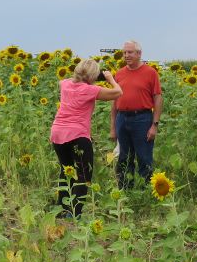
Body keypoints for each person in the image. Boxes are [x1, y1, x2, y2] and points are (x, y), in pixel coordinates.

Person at [51, 59, 123, 218]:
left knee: (66, 171)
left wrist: (85, 77)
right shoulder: (90, 90)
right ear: (92, 76)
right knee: (83, 174)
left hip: (57, 132)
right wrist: (110, 79)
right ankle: (74, 213)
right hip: (77, 135)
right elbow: (118, 93)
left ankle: (61, 209)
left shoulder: (65, 84)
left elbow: (63, 81)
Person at [109, 40, 163, 189]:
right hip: (122, 118)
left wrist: (154, 125)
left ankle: (148, 191)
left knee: (144, 158)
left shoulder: (150, 73)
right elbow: (114, 101)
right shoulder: (119, 74)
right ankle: (125, 190)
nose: (126, 55)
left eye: (130, 52)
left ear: (139, 53)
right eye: (124, 52)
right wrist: (113, 127)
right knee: (124, 158)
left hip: (142, 119)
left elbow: (158, 98)